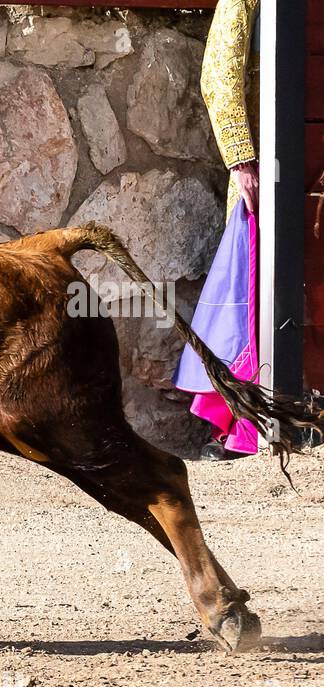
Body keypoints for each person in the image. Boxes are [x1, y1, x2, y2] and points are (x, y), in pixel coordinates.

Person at [175, 0, 261, 461]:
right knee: (255, 297)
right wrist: (242, 159)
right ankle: (247, 422)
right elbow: (219, 73)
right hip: (267, 176)